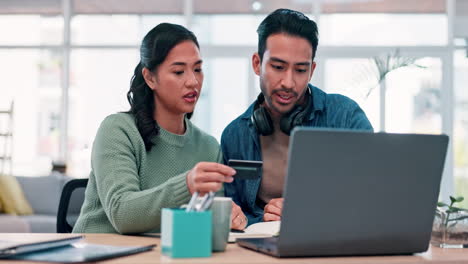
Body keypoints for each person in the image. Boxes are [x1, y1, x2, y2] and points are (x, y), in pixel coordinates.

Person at [73, 23, 247, 234]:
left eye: (198, 69)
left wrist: (225, 218)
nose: (193, 81)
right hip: (99, 253)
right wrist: (187, 185)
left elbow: (199, 226)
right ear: (150, 78)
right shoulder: (117, 130)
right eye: (179, 71)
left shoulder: (209, 147)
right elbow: (122, 214)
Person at [221, 9, 374, 226]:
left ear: (311, 70)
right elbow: (235, 213)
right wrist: (249, 219)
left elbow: (369, 193)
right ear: (257, 64)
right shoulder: (234, 135)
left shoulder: (345, 117)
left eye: (300, 70)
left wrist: (306, 211)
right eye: (278, 67)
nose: (288, 83)